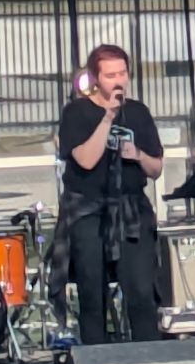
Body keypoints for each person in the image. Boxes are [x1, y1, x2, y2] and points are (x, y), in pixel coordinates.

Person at [50, 44, 164, 345]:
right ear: (95, 78)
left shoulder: (138, 112)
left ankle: (149, 357)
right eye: (110, 75)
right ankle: (97, 359)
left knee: (141, 291)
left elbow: (156, 168)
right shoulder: (76, 112)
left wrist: (138, 154)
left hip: (130, 210)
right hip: (89, 211)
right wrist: (107, 118)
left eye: (122, 74)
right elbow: (85, 160)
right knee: (92, 292)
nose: (118, 81)